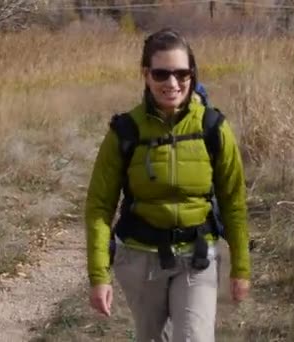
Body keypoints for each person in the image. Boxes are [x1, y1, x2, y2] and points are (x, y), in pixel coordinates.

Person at [84, 27, 251, 342]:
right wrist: (98, 276)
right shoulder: (125, 131)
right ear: (146, 74)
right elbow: (98, 207)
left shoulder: (214, 127)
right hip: (139, 260)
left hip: (197, 257)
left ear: (192, 74)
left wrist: (241, 267)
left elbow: (234, 201)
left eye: (181, 73)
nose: (172, 83)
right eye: (161, 74)